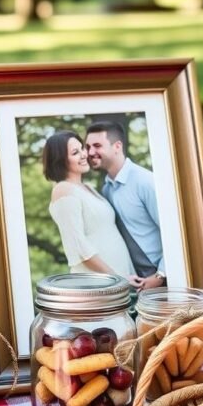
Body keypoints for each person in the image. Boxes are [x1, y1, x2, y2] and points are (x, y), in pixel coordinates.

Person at [41, 131, 136, 279]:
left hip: (119, 275)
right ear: (60, 160)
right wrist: (116, 277)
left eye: (82, 148)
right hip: (99, 280)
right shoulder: (63, 190)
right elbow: (78, 246)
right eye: (75, 152)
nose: (84, 154)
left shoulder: (87, 188)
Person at [85, 121, 166, 290]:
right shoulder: (106, 189)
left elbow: (173, 233)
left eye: (97, 145)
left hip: (161, 278)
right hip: (134, 280)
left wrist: (160, 275)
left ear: (117, 146)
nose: (90, 152)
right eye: (88, 147)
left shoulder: (145, 181)